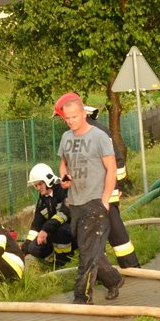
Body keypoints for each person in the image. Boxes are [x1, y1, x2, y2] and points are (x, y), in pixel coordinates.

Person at [54, 92, 125, 304]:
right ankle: (113, 279)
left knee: (86, 253)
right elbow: (64, 163)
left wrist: (105, 200)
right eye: (67, 118)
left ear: (83, 114)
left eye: (74, 117)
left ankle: (82, 298)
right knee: (88, 248)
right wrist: (64, 178)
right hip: (75, 201)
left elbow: (111, 169)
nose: (70, 121)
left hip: (95, 201)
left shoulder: (99, 137)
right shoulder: (66, 138)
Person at [84, 105, 141, 269]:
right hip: (105, 190)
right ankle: (127, 265)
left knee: (110, 228)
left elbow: (113, 161)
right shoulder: (97, 130)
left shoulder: (93, 132)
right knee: (113, 228)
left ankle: (116, 269)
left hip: (103, 191)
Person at [21, 163, 76, 268]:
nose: (38, 188)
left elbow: (65, 213)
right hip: (54, 232)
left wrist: (45, 229)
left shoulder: (63, 189)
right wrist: (24, 249)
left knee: (61, 230)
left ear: (48, 180)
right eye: (36, 185)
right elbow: (36, 225)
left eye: (40, 184)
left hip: (73, 231)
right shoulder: (42, 199)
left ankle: (65, 260)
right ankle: (54, 261)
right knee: (33, 248)